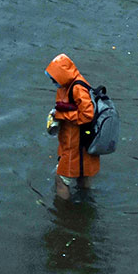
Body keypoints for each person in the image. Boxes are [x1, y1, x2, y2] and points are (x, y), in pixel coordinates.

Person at [45, 54, 99, 200]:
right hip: (82, 142)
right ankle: (86, 205)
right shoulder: (71, 84)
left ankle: (64, 214)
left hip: (74, 143)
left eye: (53, 78)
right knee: (83, 174)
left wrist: (61, 116)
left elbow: (87, 115)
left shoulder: (76, 88)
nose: (53, 81)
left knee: (61, 181)